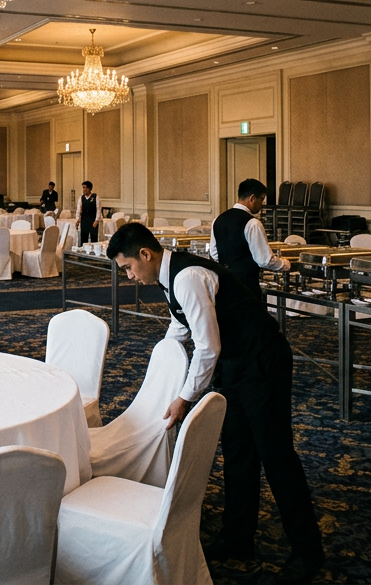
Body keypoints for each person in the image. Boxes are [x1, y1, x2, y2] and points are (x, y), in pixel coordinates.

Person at [107, 223, 324, 584]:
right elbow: (181, 328)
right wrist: (162, 373)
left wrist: (183, 398)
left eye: (129, 267)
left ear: (145, 254)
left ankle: (308, 550)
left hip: (261, 360)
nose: (129, 275)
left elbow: (208, 347)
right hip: (235, 365)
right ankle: (238, 537)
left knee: (276, 455)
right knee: (237, 449)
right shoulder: (168, 276)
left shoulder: (187, 275)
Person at [211, 178, 291, 292]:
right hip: (246, 285)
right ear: (252, 198)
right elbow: (264, 260)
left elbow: (214, 253)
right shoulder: (253, 223)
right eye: (262, 200)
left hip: (224, 283)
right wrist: (284, 264)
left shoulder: (217, 220)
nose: (262, 204)